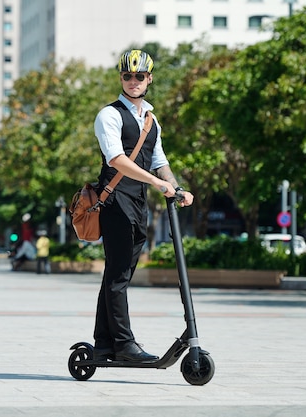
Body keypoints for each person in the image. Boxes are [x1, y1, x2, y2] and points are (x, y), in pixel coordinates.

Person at [92, 49, 194, 362]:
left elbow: (159, 160)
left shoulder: (150, 119)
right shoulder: (109, 115)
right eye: (127, 76)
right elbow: (116, 159)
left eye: (139, 76)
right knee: (119, 275)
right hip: (115, 200)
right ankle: (124, 345)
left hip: (137, 201)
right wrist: (155, 182)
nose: (133, 81)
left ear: (149, 79)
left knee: (117, 274)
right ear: (121, 78)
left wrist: (175, 187)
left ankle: (104, 342)